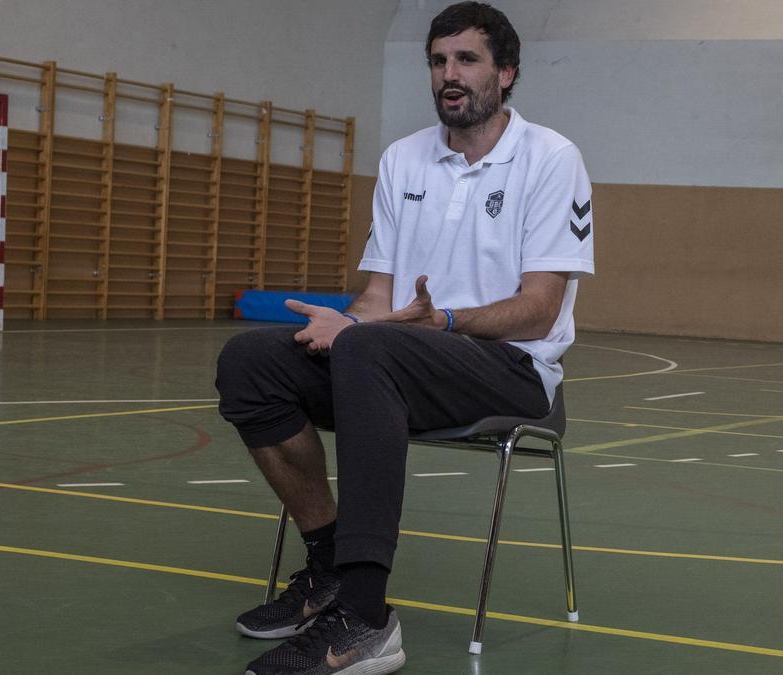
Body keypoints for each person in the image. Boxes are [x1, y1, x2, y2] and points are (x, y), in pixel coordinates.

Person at [214, 2, 594, 673]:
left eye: (468, 60)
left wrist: (436, 321)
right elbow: (377, 299)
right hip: (399, 357)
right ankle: (330, 565)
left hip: (510, 369)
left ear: (506, 73)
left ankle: (365, 617)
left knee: (367, 347)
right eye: (439, 61)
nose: (450, 74)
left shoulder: (552, 158)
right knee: (252, 361)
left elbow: (539, 310)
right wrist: (340, 324)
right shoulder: (403, 159)